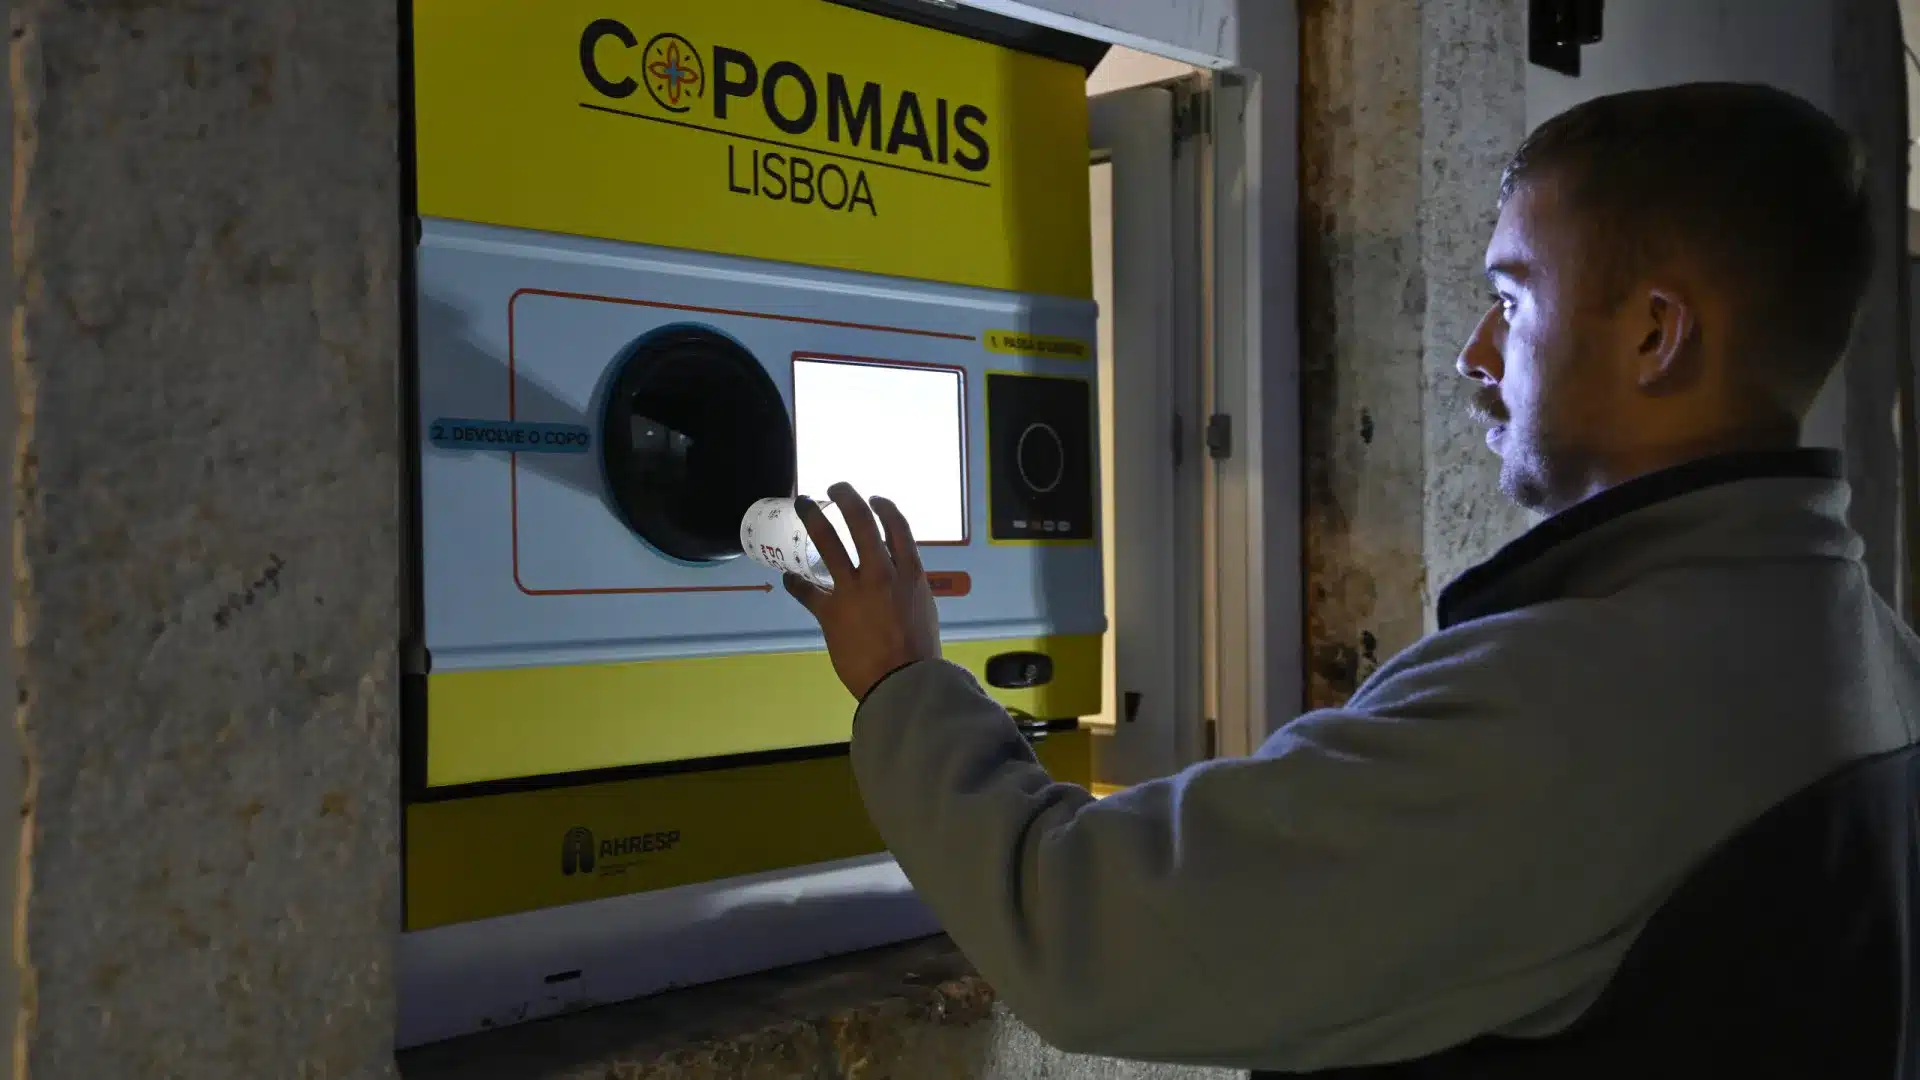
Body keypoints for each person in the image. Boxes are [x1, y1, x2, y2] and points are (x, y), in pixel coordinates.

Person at [784, 82, 1918, 1077]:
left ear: (1655, 335)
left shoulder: (1580, 706)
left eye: (1514, 299)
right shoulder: (1872, 650)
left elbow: (1081, 928)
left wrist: (904, 682)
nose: (1476, 351)